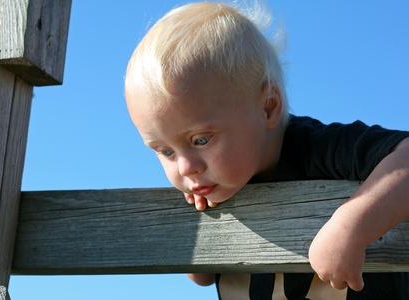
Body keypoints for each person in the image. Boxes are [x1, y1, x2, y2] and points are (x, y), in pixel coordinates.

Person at [124, 1, 409, 299]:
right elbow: (202, 277)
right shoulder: (214, 188)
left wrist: (353, 224)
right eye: (165, 151)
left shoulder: (317, 148)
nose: (185, 168)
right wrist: (199, 230)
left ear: (268, 107)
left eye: (201, 140)